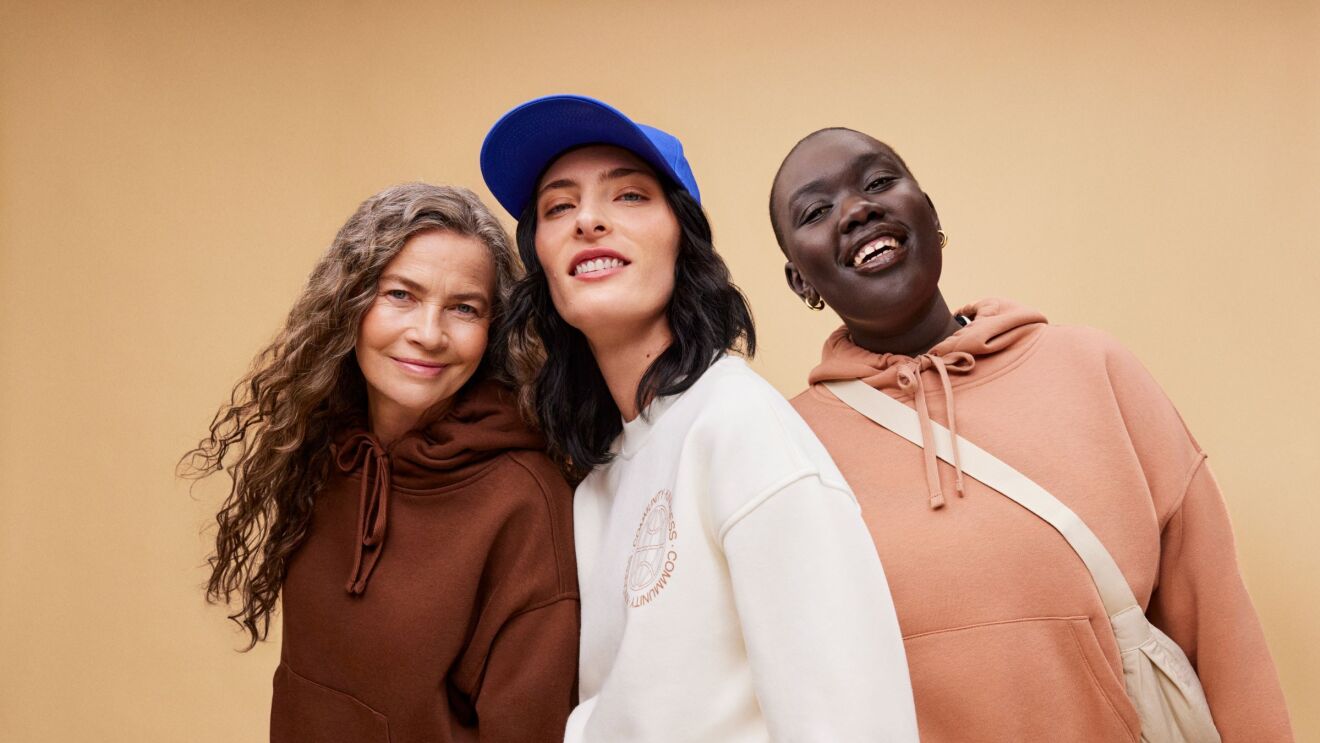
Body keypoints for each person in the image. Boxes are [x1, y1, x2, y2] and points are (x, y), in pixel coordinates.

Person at [769, 126, 1294, 742]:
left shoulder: (1094, 368)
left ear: (929, 213)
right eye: (817, 210)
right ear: (800, 280)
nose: (857, 210)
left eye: (879, 182)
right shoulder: (787, 446)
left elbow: (1220, 624)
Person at [480, 95, 919, 743]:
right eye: (558, 206)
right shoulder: (598, 477)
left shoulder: (738, 427)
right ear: (539, 262)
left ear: (683, 238)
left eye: (628, 196)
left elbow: (851, 724)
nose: (588, 221)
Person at [181, 183, 578, 742]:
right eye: (401, 295)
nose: (428, 334)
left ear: (493, 333)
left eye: (464, 308)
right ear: (351, 303)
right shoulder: (326, 451)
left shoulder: (526, 504)